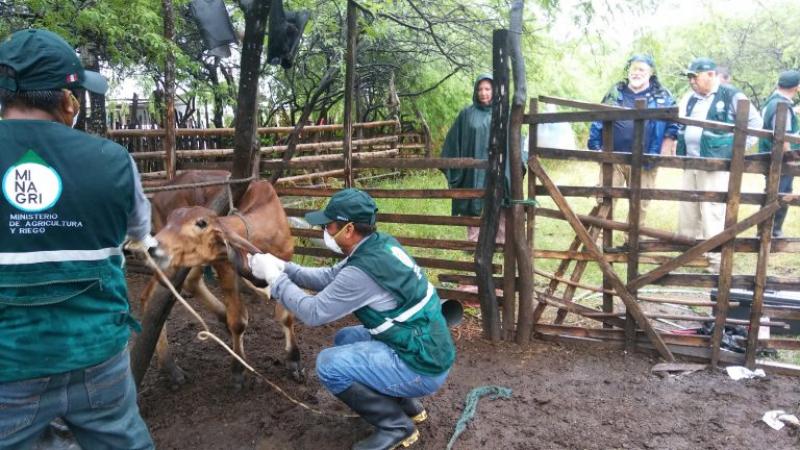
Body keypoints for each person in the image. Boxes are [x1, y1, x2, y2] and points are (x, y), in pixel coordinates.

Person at [0, 29, 155, 448]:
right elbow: (140, 233)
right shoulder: (114, 161)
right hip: (97, 352)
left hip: (10, 364)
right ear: (68, 100)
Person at [248, 189, 455, 450]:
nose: (324, 229)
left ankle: (397, 427)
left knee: (329, 365)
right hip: (426, 344)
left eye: (328, 224)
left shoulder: (361, 272)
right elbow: (327, 277)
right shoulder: (379, 245)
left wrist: (275, 281)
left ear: (347, 230)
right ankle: (406, 405)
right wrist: (282, 266)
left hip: (422, 364)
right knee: (345, 338)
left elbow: (313, 313)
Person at [676, 57, 763, 272]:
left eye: (695, 77)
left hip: (716, 164)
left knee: (712, 209)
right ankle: (689, 252)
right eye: (690, 78)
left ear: (711, 75)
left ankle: (714, 257)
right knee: (688, 207)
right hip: (691, 160)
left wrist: (736, 149)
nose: (692, 81)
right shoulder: (689, 98)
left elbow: (755, 124)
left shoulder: (732, 95)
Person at [587, 54, 678, 234]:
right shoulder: (615, 92)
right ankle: (597, 240)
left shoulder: (662, 95)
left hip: (646, 160)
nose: (637, 73)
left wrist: (665, 149)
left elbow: (673, 123)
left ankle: (632, 241)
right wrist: (595, 146)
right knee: (606, 198)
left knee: (640, 202)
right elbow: (598, 117)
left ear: (650, 73)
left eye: (641, 69)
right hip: (614, 158)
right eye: (633, 69)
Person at [440, 74, 506, 243]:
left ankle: (500, 241)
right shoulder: (467, 114)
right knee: (474, 201)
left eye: (487, 89)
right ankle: (474, 241)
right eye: (480, 89)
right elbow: (454, 140)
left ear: (494, 90)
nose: (483, 93)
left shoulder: (502, 112)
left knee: (500, 199)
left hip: (497, 168)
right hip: (474, 170)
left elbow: (512, 140)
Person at [758, 70, 800, 238]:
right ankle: (772, 231)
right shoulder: (782, 107)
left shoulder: (772, 102)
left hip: (771, 156)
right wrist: (790, 160)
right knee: (781, 193)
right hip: (780, 159)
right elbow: (783, 137)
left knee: (772, 191)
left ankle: (766, 230)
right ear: (796, 87)